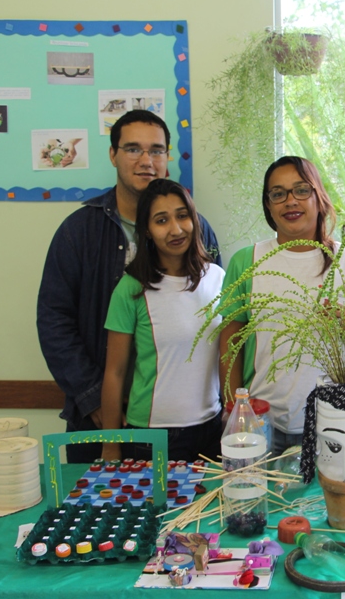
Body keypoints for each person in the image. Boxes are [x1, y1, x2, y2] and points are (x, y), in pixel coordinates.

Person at [37, 110, 221, 463]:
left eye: (156, 150)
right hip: (101, 415)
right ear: (113, 154)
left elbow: (214, 319)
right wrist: (94, 399)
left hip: (190, 420)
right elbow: (53, 320)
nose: (146, 161)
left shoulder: (199, 230)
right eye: (133, 149)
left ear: (167, 158)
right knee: (111, 513)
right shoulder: (79, 232)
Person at [218, 156, 345, 456]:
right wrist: (234, 407)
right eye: (278, 194)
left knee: (323, 503)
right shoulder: (246, 262)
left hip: (334, 422)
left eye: (301, 190)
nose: (290, 201)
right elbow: (231, 340)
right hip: (261, 420)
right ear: (268, 206)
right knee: (261, 501)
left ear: (318, 197)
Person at [100, 179, 225, 463]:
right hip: (152, 437)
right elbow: (115, 373)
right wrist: (111, 446)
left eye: (183, 216)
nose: (176, 229)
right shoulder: (131, 288)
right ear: (146, 229)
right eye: (161, 220)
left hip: (213, 428)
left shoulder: (218, 278)